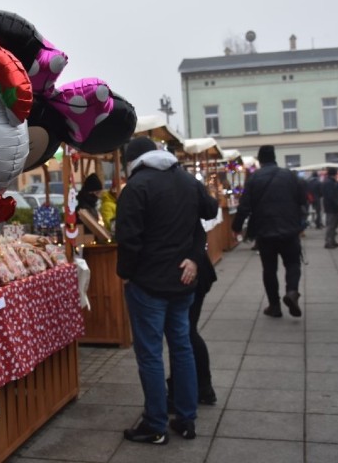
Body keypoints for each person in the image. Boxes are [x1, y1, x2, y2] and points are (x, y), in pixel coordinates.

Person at [115, 137, 220, 445]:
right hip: (183, 282)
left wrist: (126, 275)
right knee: (182, 346)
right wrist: (193, 256)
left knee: (150, 355)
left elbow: (128, 238)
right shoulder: (187, 180)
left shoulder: (136, 188)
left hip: (147, 284)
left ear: (132, 161)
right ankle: (186, 419)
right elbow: (210, 210)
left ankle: (155, 423)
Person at [232, 145, 307, 318]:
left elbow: (244, 207)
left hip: (265, 231)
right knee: (293, 264)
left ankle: (274, 306)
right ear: (275, 157)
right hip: (289, 229)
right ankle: (292, 292)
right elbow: (302, 200)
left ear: (259, 160)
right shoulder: (290, 176)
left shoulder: (254, 178)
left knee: (269, 269)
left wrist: (236, 227)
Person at [167, 223, 217, 411]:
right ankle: (200, 387)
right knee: (185, 332)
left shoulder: (184, 197)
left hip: (190, 273)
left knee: (184, 333)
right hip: (192, 270)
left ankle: (192, 389)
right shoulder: (187, 196)